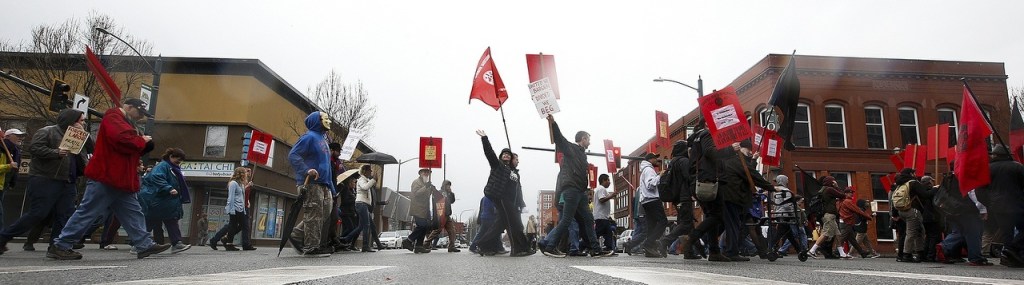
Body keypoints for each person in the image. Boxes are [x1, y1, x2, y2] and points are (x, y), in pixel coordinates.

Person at [50, 98, 170, 260]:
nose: (140, 116)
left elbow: (125, 145)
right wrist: (141, 141)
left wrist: (141, 143)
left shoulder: (123, 120)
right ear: (128, 107)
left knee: (133, 212)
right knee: (88, 211)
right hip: (107, 175)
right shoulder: (113, 117)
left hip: (118, 176)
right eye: (139, 112)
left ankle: (144, 244)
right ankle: (61, 245)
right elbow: (121, 139)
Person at [0, 110, 91, 256]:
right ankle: (3, 237)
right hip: (46, 178)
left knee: (65, 214)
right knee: (38, 213)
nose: (83, 123)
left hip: (68, 180)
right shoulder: (47, 132)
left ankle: (57, 246)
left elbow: (91, 149)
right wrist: (55, 152)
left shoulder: (78, 136)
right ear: (70, 120)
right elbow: (34, 148)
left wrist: (85, 134)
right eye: (80, 121)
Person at [539, 115, 610, 258]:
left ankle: (595, 249)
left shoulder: (582, 154)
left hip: (581, 191)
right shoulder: (571, 149)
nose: (589, 142)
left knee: (588, 219)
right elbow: (560, 139)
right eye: (588, 139)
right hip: (571, 190)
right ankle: (550, 246)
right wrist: (553, 124)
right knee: (566, 220)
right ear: (583, 139)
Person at [475, 130, 533, 256]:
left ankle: (483, 245)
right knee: (515, 223)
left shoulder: (512, 171)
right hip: (501, 198)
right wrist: (485, 139)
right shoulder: (498, 165)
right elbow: (489, 153)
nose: (506, 155)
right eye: (504, 154)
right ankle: (519, 249)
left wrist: (521, 204)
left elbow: (518, 190)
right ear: (501, 157)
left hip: (510, 202)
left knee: (501, 225)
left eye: (509, 154)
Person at [287, 111, 336, 257]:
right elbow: (293, 155)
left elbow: (327, 165)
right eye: (324, 119)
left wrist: (332, 187)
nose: (328, 121)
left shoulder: (324, 140)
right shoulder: (309, 137)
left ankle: (297, 234)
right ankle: (311, 247)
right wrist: (306, 170)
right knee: (314, 215)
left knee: (323, 213)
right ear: (317, 121)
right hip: (311, 183)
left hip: (324, 184)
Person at [680, 124, 730, 262]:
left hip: (698, 180)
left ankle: (713, 251)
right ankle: (692, 238)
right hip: (709, 179)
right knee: (717, 216)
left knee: (710, 216)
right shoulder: (707, 134)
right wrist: (730, 150)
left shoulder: (694, 139)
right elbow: (710, 152)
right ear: (707, 123)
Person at [139, 148, 192, 253]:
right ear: (171, 156)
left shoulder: (172, 168)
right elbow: (156, 177)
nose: (179, 161)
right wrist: (169, 188)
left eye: (181, 159)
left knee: (169, 220)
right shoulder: (164, 166)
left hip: (165, 201)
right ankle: (138, 243)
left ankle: (176, 243)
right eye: (178, 158)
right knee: (153, 221)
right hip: (160, 200)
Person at [978, 145, 1024, 267]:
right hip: (1017, 205)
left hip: (997, 207)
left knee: (1006, 232)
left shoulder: (987, 169)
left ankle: (1008, 256)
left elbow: (979, 190)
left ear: (995, 155)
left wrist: (988, 203)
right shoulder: (1017, 167)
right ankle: (1014, 250)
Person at [658, 140, 697, 259]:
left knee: (688, 225)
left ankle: (689, 252)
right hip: (684, 196)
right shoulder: (684, 161)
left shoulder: (673, 162)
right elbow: (688, 177)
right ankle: (665, 240)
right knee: (686, 224)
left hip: (677, 197)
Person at [893, 168, 933, 262]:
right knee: (911, 232)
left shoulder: (899, 184)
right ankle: (907, 255)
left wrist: (895, 214)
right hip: (912, 210)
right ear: (911, 173)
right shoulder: (913, 183)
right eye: (914, 172)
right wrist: (934, 189)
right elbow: (925, 194)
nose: (915, 174)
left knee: (919, 230)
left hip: (901, 210)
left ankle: (920, 253)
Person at [210, 167, 250, 251]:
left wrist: (244, 209)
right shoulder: (233, 183)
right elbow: (230, 197)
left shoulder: (241, 184)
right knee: (236, 226)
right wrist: (230, 209)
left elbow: (242, 197)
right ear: (241, 174)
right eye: (245, 172)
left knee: (235, 226)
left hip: (240, 209)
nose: (246, 174)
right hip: (234, 208)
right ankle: (228, 243)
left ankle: (218, 240)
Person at [636, 153, 668, 258]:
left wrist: (657, 175)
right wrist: (660, 176)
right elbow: (650, 184)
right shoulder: (649, 169)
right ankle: (649, 243)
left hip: (646, 201)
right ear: (650, 159)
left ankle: (650, 250)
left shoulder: (645, 170)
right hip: (652, 199)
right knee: (663, 221)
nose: (657, 160)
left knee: (652, 225)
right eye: (655, 158)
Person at [808, 176, 844, 259]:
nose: (834, 182)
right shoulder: (829, 189)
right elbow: (842, 195)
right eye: (833, 181)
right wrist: (837, 186)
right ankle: (812, 251)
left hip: (829, 215)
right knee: (826, 234)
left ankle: (842, 253)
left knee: (837, 234)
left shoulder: (823, 189)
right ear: (831, 182)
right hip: (829, 215)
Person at [341, 165, 374, 252]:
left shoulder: (366, 180)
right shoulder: (361, 179)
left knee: (360, 226)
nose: (371, 172)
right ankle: (365, 245)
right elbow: (365, 187)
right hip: (361, 204)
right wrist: (374, 180)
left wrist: (373, 180)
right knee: (366, 225)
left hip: (363, 204)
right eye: (370, 170)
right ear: (365, 171)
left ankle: (345, 239)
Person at [403, 168, 437, 253]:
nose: (426, 174)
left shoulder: (427, 183)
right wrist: (426, 187)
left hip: (425, 209)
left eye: (428, 172)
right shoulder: (416, 182)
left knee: (425, 227)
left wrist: (432, 189)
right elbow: (416, 193)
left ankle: (419, 245)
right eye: (424, 172)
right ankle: (408, 240)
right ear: (420, 173)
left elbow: (427, 196)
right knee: (422, 225)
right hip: (417, 208)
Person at [836, 187, 872, 258]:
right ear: (846, 193)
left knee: (852, 239)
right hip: (847, 222)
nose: (852, 194)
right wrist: (869, 217)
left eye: (852, 192)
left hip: (844, 221)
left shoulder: (840, 201)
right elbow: (857, 210)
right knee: (842, 238)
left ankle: (862, 252)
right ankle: (836, 251)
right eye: (850, 193)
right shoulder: (847, 201)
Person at [0, 128, 26, 229]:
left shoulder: (15, 151)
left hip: (3, 186)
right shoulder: (2, 150)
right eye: (17, 135)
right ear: (6, 136)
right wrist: (8, 166)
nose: (20, 138)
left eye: (21, 136)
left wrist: (12, 182)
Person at [426, 180, 460, 252]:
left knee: (452, 231)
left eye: (449, 186)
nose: (449, 187)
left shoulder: (448, 194)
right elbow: (437, 199)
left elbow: (452, 201)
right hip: (441, 214)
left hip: (447, 214)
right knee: (437, 230)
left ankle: (451, 246)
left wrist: (451, 193)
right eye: (448, 185)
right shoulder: (440, 192)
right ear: (444, 185)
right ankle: (426, 243)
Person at [593, 174, 621, 255]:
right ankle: (585, 245)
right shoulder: (601, 189)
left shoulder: (602, 190)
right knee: (597, 233)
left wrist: (612, 196)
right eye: (608, 180)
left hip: (604, 217)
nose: (609, 182)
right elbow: (601, 199)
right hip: (600, 216)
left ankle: (609, 248)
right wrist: (612, 195)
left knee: (608, 232)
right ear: (603, 181)